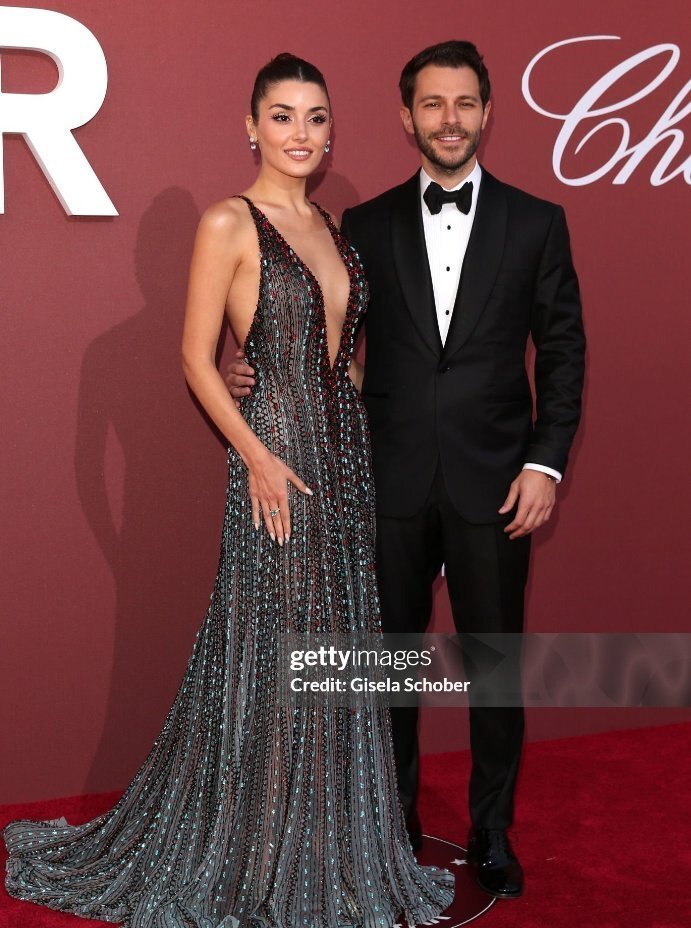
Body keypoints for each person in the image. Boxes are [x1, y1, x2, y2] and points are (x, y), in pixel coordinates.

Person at [3, 54, 454, 928]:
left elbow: (344, 361)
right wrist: (253, 456)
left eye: (315, 117)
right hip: (276, 461)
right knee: (275, 650)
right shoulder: (228, 221)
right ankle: (256, 857)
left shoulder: (332, 227)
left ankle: (322, 848)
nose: (300, 133)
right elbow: (194, 357)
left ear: (331, 130)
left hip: (345, 461)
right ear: (251, 127)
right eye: (282, 116)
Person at [227, 41, 586, 901]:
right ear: (405, 116)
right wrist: (253, 369)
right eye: (432, 103)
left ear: (486, 112)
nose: (448, 119)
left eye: (463, 103)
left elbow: (563, 352)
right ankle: (387, 825)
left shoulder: (537, 221)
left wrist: (544, 464)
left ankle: (490, 831)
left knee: (492, 664)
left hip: (496, 483)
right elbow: (328, 344)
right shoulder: (366, 225)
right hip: (382, 480)